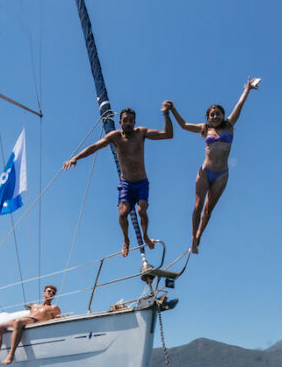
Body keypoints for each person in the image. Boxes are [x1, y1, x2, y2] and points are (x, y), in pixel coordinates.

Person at [63, 103, 173, 256]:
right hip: (126, 183)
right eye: (125, 120)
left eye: (131, 120)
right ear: (120, 122)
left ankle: (145, 235)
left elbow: (167, 134)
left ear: (134, 122)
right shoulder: (115, 137)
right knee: (122, 213)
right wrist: (76, 158)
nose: (128, 123)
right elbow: (95, 146)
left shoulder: (141, 133)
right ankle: (126, 240)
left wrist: (167, 114)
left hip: (141, 182)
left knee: (142, 209)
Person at [168, 78, 259, 253]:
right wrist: (173, 109)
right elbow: (184, 125)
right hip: (206, 171)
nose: (215, 116)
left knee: (208, 209)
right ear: (208, 117)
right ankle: (193, 237)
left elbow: (239, 106)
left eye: (218, 113)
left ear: (223, 115)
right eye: (212, 114)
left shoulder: (229, 126)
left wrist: (247, 89)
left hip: (222, 175)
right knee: (198, 205)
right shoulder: (204, 129)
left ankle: (200, 235)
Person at [0, 285, 62, 367]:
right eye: (49, 291)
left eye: (53, 293)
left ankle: (11, 354)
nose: (51, 293)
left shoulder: (54, 307)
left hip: (35, 321)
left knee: (18, 321)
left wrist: (56, 318)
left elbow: (58, 318)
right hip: (25, 320)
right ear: (44, 293)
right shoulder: (34, 306)